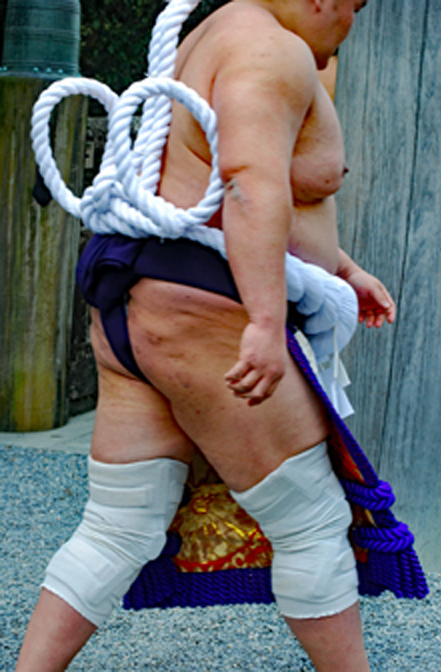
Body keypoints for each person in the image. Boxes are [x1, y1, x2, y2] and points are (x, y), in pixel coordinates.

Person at [16, 0, 396, 670]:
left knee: (118, 527)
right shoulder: (269, 50)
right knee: (310, 522)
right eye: (356, 6)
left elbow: (206, 179)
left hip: (139, 302)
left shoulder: (212, 33)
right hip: (207, 309)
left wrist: (340, 269)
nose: (352, 23)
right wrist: (266, 320)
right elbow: (248, 187)